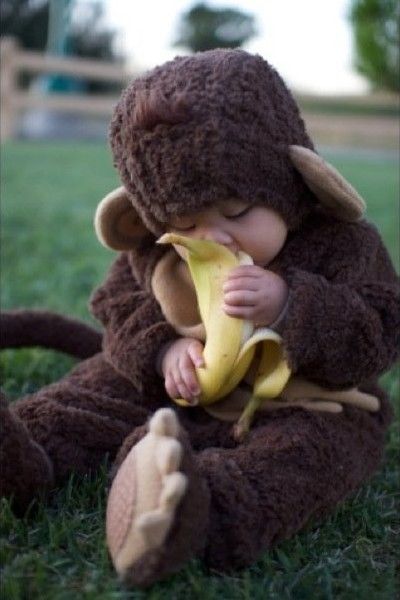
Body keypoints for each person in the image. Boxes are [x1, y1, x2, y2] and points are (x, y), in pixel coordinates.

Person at [1, 49, 399, 588]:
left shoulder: (343, 245)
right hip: (178, 387)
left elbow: (382, 328)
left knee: (312, 454)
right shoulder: (154, 252)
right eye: (185, 225)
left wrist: (293, 304)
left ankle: (202, 507)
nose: (212, 238)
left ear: (291, 179)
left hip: (304, 399)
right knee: (95, 388)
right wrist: (163, 349)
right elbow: (118, 308)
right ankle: (29, 450)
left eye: (236, 213)